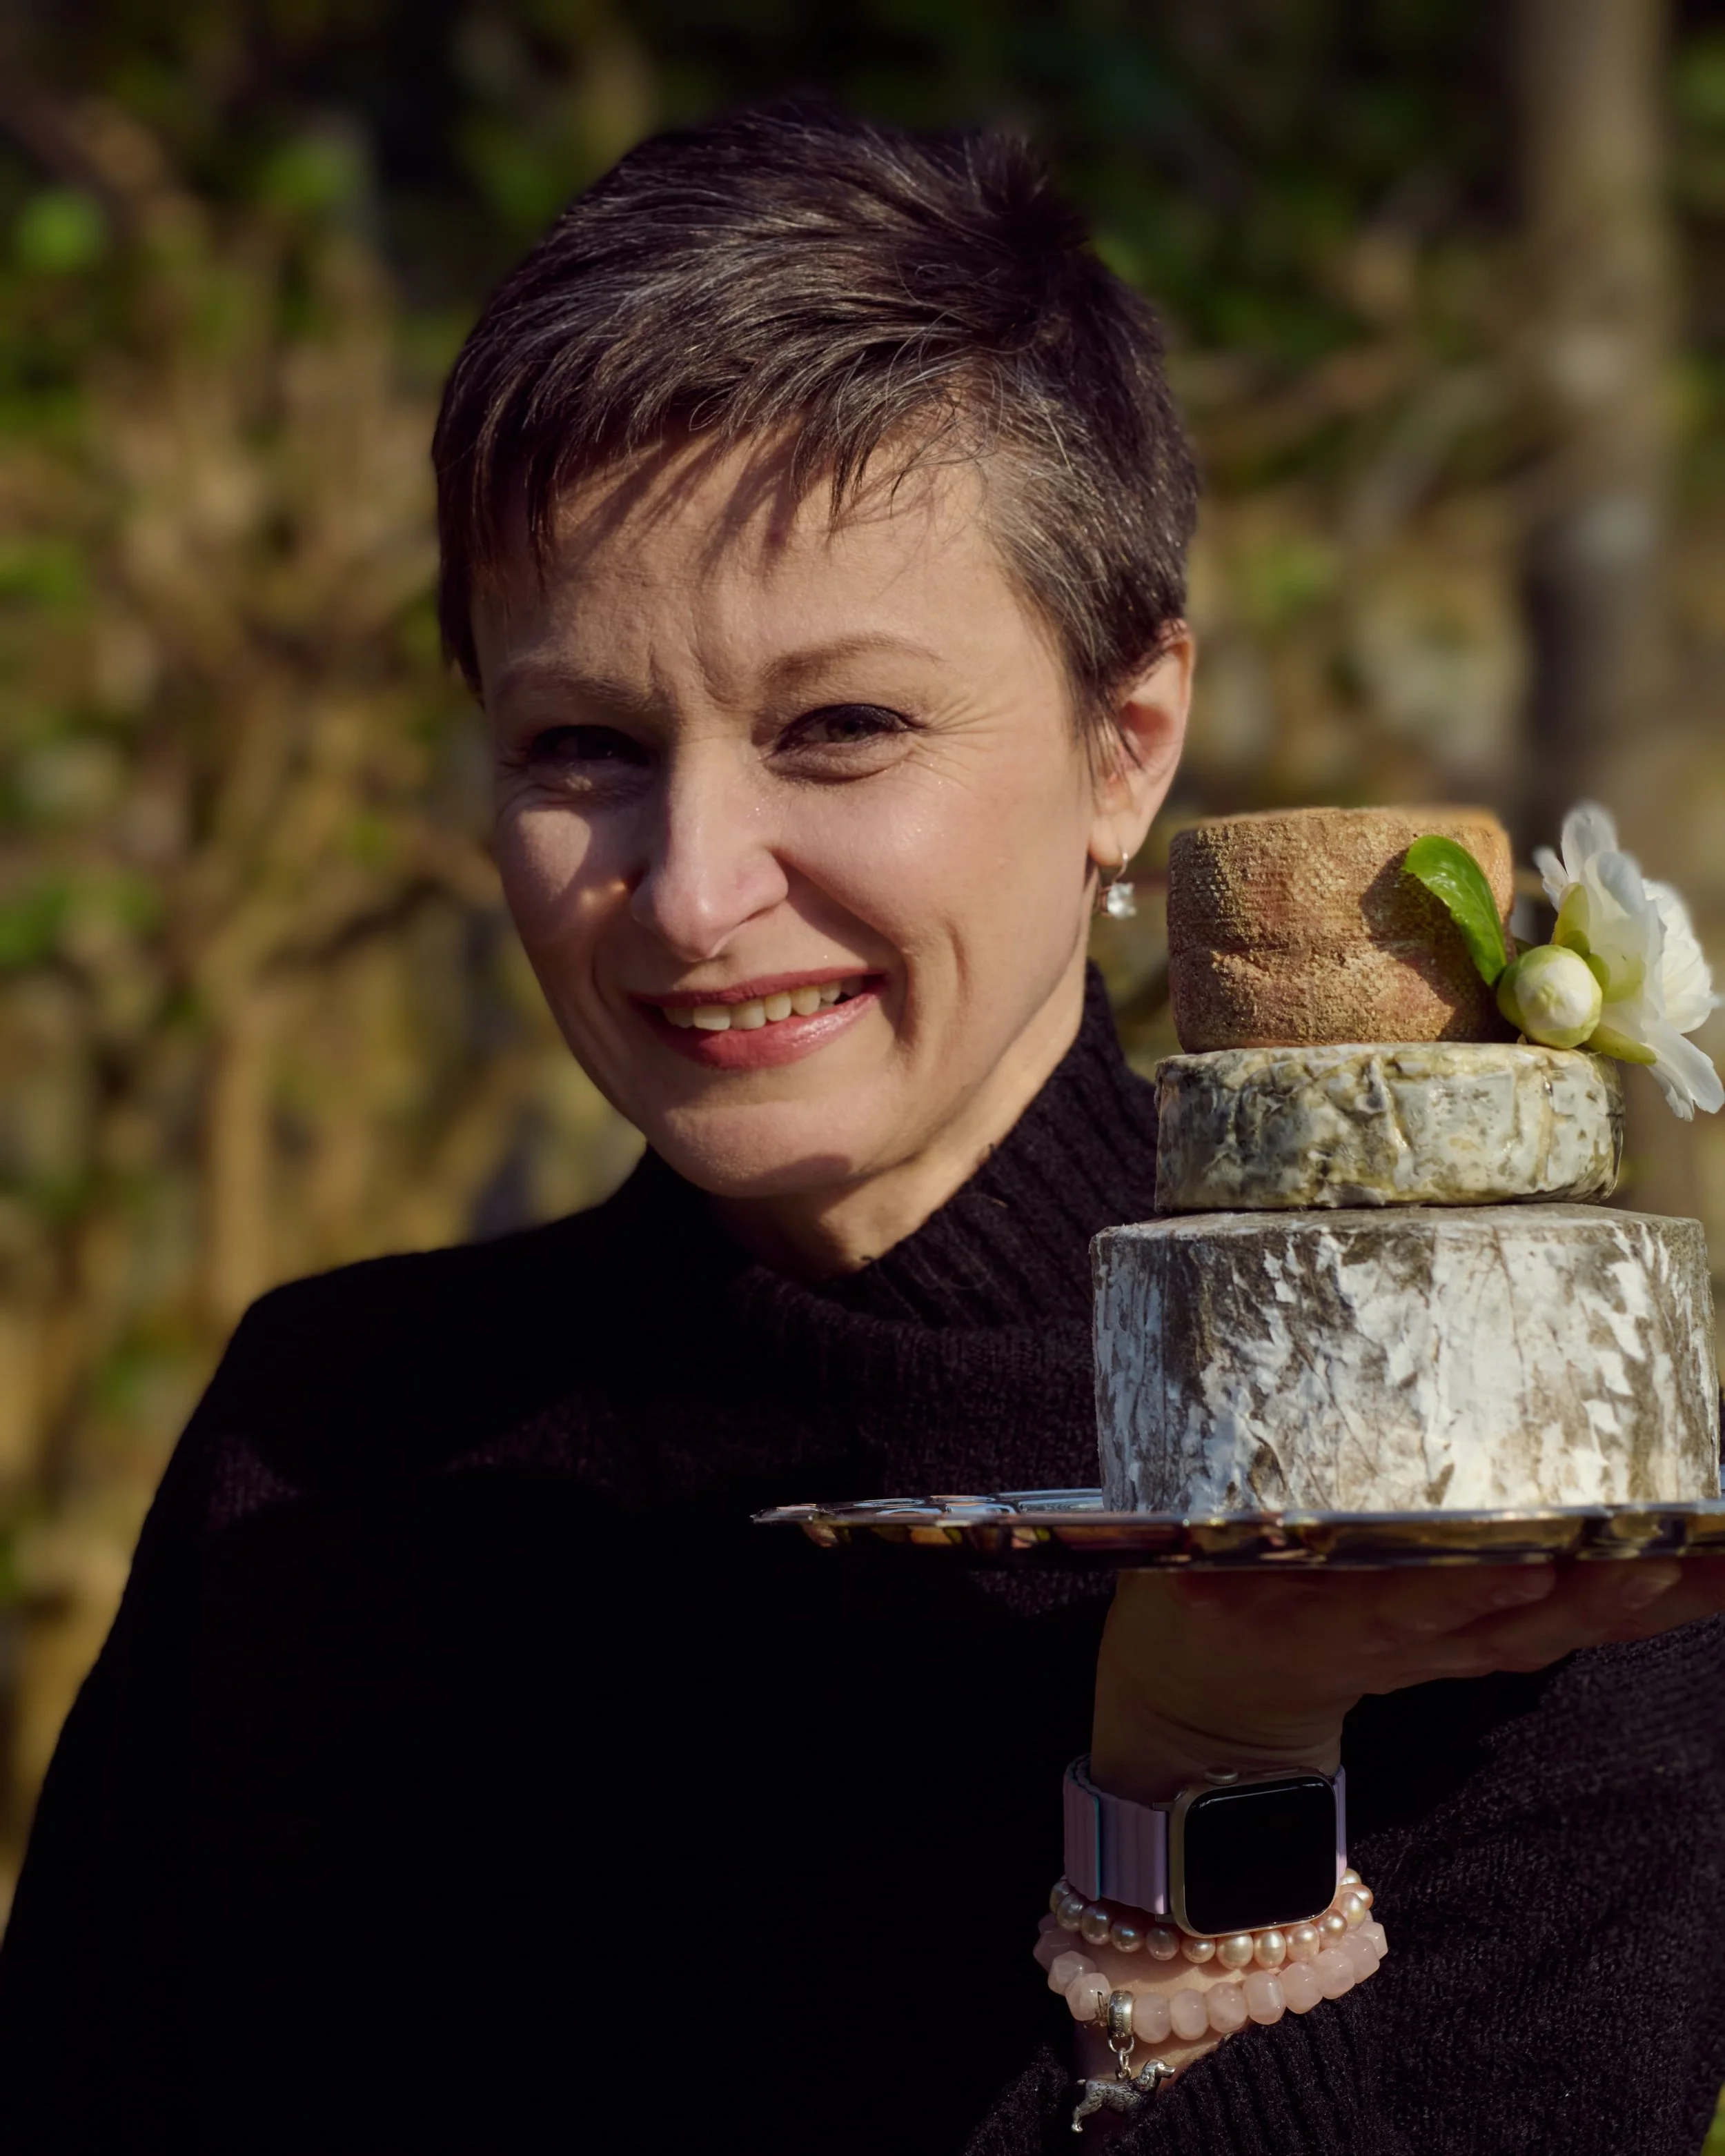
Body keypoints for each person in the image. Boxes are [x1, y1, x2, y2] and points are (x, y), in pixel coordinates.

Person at [2, 102, 1722, 2156]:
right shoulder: (333, 1448)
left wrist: (1201, 1761)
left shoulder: (1500, 1532)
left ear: (1126, 743)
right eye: (581, 745)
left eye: (840, 728)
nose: (690, 889)